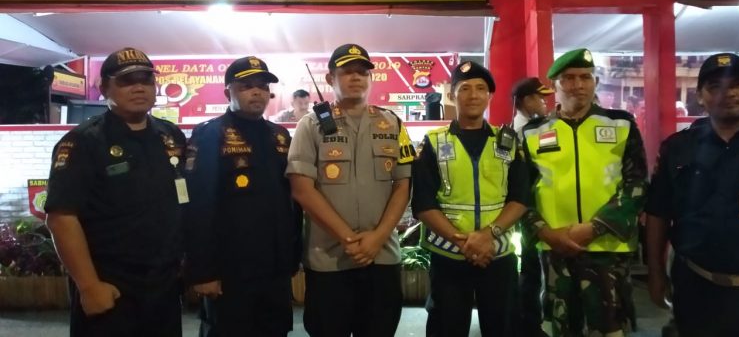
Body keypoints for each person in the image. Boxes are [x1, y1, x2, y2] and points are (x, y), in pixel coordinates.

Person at [45, 47, 186, 337]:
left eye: (146, 79)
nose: (139, 87)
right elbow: (61, 218)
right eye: (126, 80)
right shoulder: (84, 142)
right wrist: (89, 286)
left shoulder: (170, 136)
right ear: (104, 88)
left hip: (163, 285)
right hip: (111, 286)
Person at [285, 43, 416, 337]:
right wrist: (349, 238)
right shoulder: (310, 125)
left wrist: (377, 238)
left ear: (370, 78)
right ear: (330, 78)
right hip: (329, 261)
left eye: (362, 72)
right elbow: (302, 189)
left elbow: (403, 184)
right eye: (347, 72)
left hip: (382, 257)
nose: (356, 77)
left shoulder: (393, 123)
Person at [522, 48, 648, 337]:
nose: (578, 84)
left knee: (610, 328)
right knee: (559, 327)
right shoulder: (531, 133)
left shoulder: (622, 125)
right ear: (554, 85)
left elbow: (637, 185)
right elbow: (519, 195)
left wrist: (594, 228)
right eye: (568, 78)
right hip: (555, 252)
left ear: (595, 82)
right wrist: (545, 232)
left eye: (585, 77)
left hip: (608, 251)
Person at [183, 56, 301, 336]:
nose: (257, 92)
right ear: (228, 93)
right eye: (246, 86)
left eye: (262, 86)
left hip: (275, 267)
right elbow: (198, 206)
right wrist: (203, 271)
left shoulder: (280, 136)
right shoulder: (210, 134)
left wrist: (292, 255)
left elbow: (291, 201)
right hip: (230, 269)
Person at [411, 61, 529, 336]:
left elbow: (520, 197)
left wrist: (487, 236)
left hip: (497, 255)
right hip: (449, 258)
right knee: (446, 328)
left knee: (502, 327)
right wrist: (464, 242)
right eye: (464, 88)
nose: (473, 95)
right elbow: (424, 204)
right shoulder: (434, 143)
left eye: (480, 88)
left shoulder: (508, 141)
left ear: (490, 96)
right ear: (452, 96)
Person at [646, 53, 739, 337]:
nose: (728, 93)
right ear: (700, 96)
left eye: (738, 85)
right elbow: (658, 213)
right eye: (716, 86)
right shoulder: (678, 147)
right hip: (695, 285)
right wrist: (655, 272)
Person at [510, 76, 554, 337]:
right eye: (540, 98)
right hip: (528, 212)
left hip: (535, 211)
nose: (544, 102)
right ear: (526, 101)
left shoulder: (530, 129)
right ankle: (530, 323)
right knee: (531, 268)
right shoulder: (522, 134)